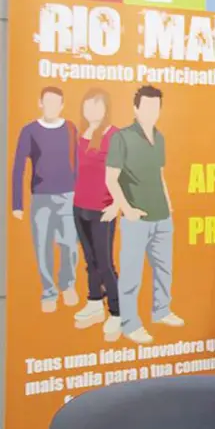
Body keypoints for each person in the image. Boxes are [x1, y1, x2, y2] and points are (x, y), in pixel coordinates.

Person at [106, 85, 183, 344]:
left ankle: (161, 310)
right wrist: (127, 210)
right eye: (146, 106)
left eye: (156, 106)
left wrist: (169, 204)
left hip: (162, 215)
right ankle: (130, 323)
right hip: (136, 219)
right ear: (135, 108)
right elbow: (111, 179)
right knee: (131, 273)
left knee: (164, 269)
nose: (151, 111)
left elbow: (159, 174)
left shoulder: (159, 137)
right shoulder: (122, 137)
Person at [11, 86, 80, 313]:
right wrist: (17, 204)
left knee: (70, 245)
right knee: (43, 248)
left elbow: (78, 164)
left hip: (69, 197)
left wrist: (80, 196)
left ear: (62, 106)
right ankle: (48, 292)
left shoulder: (70, 128)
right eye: (47, 102)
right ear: (40, 103)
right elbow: (18, 167)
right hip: (40, 198)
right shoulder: (30, 130)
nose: (51, 106)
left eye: (56, 103)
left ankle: (68, 285)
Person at [72, 88, 122, 340]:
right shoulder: (82, 134)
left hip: (103, 208)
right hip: (79, 206)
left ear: (106, 108)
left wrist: (117, 206)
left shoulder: (114, 136)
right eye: (87, 105)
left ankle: (117, 311)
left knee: (105, 263)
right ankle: (94, 302)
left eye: (96, 105)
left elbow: (126, 174)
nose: (91, 110)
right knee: (89, 259)